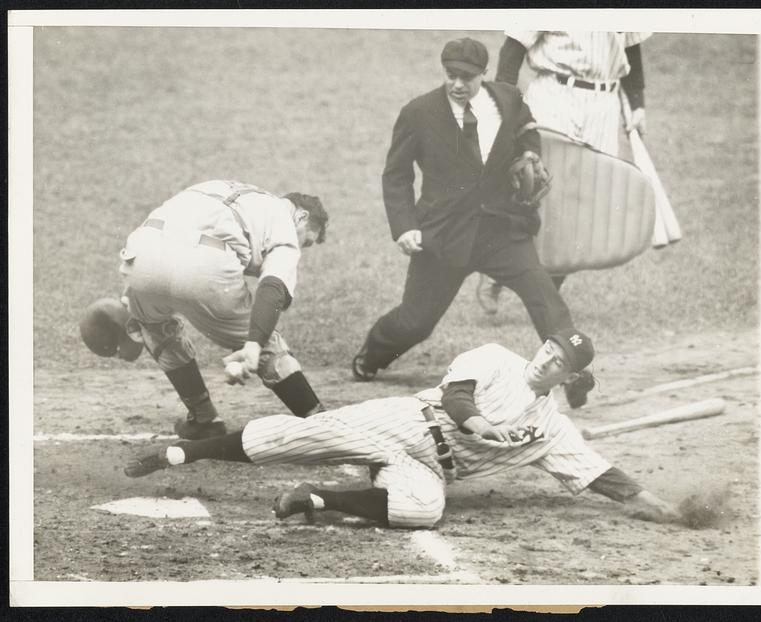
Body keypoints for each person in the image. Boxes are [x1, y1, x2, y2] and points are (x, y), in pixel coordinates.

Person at [124, 328, 681, 529]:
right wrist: (482, 425)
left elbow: (606, 478)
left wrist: (667, 509)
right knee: (289, 438)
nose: (545, 360)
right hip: (402, 423)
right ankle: (190, 451)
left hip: (422, 467)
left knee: (423, 512)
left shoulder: (553, 431)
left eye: (559, 361)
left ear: (571, 375)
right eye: (546, 348)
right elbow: (459, 399)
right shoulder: (495, 358)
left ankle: (315, 499)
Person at [351, 36, 594, 408]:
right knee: (416, 322)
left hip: (502, 230)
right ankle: (371, 356)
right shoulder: (418, 113)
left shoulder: (507, 99)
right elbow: (396, 175)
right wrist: (405, 226)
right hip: (444, 236)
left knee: (545, 297)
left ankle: (573, 373)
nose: (458, 84)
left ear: (484, 73)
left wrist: (530, 151)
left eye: (467, 77)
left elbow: (527, 128)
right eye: (451, 75)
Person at [79, 179, 329, 440]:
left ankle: (204, 418)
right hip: (205, 268)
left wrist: (139, 302)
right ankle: (321, 426)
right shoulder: (283, 221)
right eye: (307, 241)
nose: (301, 247)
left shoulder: (224, 188)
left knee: (154, 327)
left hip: (140, 254)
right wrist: (253, 344)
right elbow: (273, 289)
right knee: (266, 342)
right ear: (301, 216)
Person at [477, 30, 651, 314]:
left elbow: (632, 46)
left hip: (604, 102)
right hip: (555, 94)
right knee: (535, 190)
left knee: (584, 206)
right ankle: (496, 271)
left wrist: (638, 104)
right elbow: (514, 47)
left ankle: (546, 295)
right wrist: (504, 105)